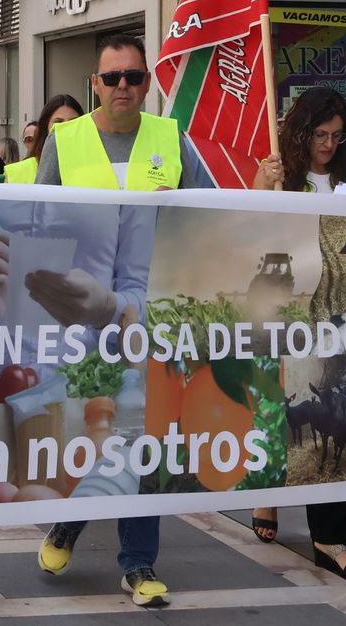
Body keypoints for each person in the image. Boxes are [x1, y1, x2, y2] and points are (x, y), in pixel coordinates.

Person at [34, 35, 213, 609]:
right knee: (92, 434)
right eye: (112, 78)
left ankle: (138, 563)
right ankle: (71, 522)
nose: (123, 88)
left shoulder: (172, 138)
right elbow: (41, 225)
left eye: (134, 77)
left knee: (141, 436)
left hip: (148, 313)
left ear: (147, 83)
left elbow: (210, 211)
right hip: (79, 322)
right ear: (95, 83)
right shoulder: (64, 142)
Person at [251, 87, 346, 580]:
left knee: (339, 412)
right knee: (287, 409)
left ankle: (330, 536)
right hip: (293, 321)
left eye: (337, 137)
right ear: (300, 133)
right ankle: (272, 494)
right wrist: (264, 187)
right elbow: (251, 231)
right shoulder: (280, 176)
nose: (327, 146)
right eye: (319, 135)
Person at [3, 94, 84, 184]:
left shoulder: (92, 167)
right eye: (59, 122)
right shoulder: (18, 172)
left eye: (73, 122)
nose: (65, 127)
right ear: (45, 126)